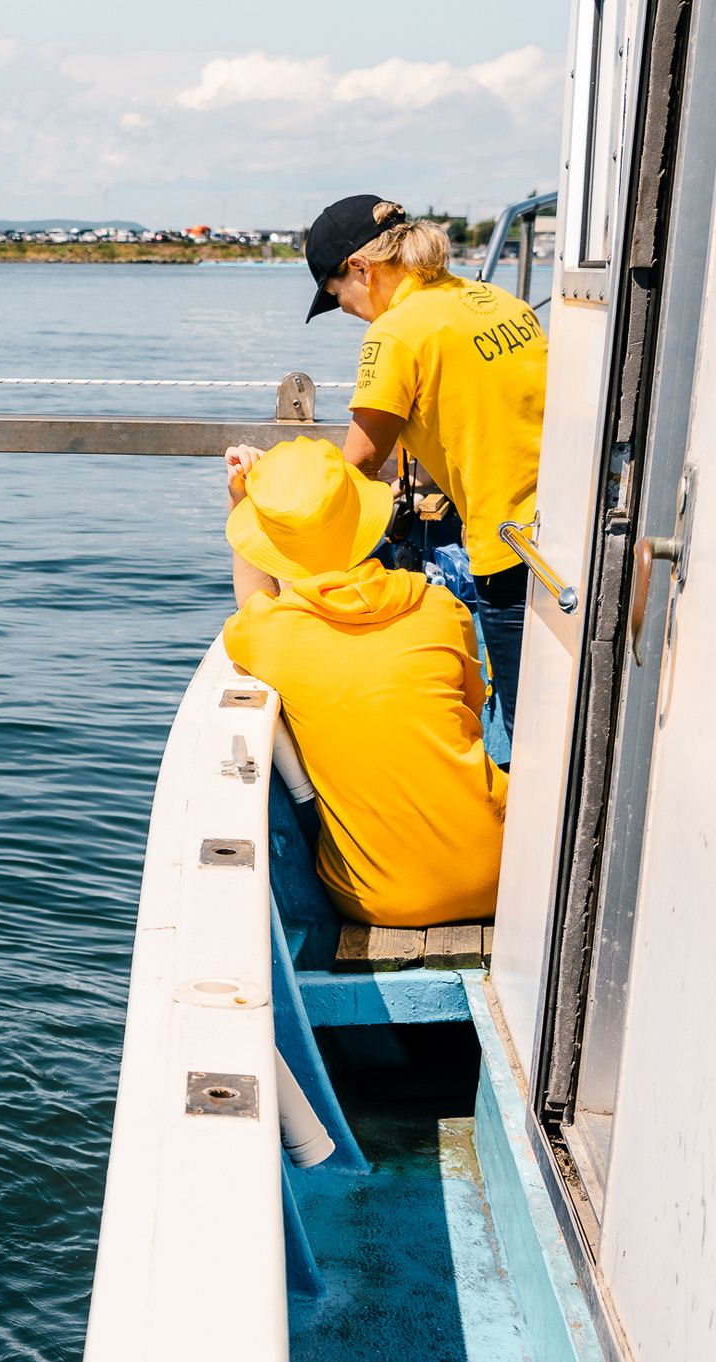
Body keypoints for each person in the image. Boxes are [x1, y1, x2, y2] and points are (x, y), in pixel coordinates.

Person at [221, 436, 508, 926]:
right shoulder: (442, 609)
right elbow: (473, 715)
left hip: (381, 902)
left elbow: (253, 601)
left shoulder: (268, 636)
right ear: (363, 518)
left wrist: (244, 500)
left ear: (268, 544)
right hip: (502, 872)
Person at [305, 194, 546, 728]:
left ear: (361, 270)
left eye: (336, 295)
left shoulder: (394, 331)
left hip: (509, 548)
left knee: (529, 733)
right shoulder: (494, 299)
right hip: (570, 525)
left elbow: (360, 462)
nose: (345, 309)